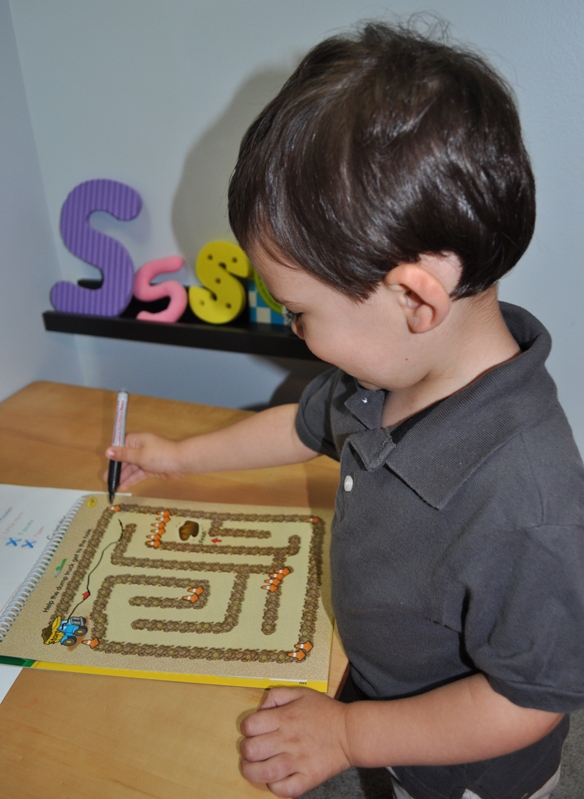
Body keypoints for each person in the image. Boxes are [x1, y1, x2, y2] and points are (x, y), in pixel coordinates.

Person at [106, 22, 584, 799]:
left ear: (414, 298)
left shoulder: (531, 499)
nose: (294, 332)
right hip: (374, 677)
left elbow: (529, 698)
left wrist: (351, 735)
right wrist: (179, 457)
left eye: (299, 311)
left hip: (467, 771)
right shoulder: (385, 376)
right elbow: (301, 428)